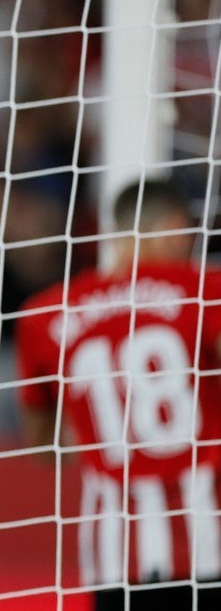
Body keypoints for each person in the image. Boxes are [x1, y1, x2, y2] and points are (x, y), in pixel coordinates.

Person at [16, 179, 221, 611]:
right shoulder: (205, 292)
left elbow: (43, 446)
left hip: (115, 550)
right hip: (210, 534)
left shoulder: (44, 315)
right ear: (175, 228)